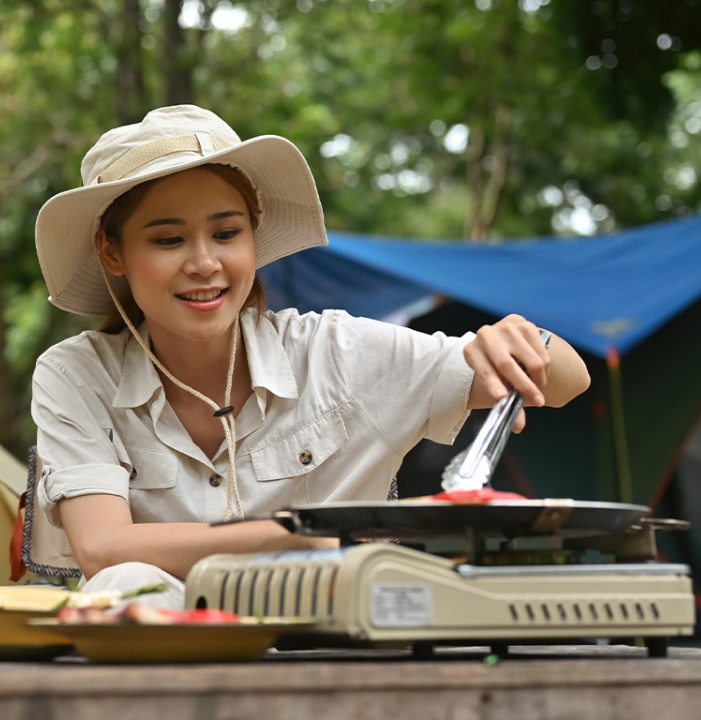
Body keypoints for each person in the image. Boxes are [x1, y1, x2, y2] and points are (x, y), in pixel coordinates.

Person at [30, 105, 590, 608]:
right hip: (164, 671)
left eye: (226, 233)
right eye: (168, 240)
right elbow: (104, 549)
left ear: (254, 236)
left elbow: (569, 380)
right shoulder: (76, 374)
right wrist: (303, 534)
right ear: (112, 250)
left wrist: (522, 341)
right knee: (124, 587)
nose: (204, 263)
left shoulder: (339, 354)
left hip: (340, 661)